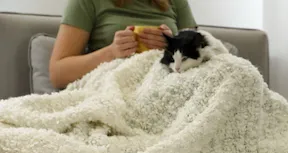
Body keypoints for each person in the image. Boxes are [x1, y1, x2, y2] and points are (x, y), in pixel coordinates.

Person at [49, 0, 197, 89]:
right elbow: (58, 73)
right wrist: (111, 52)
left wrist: (173, 45)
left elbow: (201, 55)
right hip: (113, 89)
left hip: (168, 85)